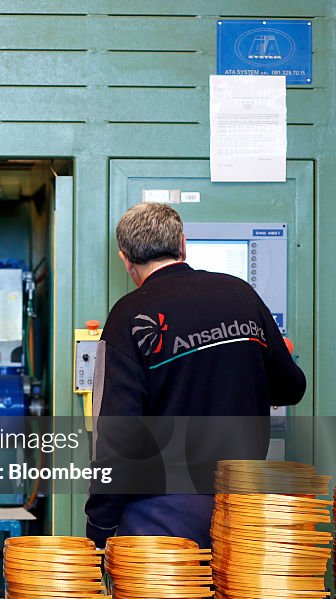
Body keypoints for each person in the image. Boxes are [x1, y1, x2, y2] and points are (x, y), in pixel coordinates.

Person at [85, 202, 305, 548]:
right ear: (183, 244)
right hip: (239, 508)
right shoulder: (240, 294)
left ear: (125, 259)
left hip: (162, 515)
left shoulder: (128, 317)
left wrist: (99, 526)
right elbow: (291, 388)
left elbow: (118, 437)